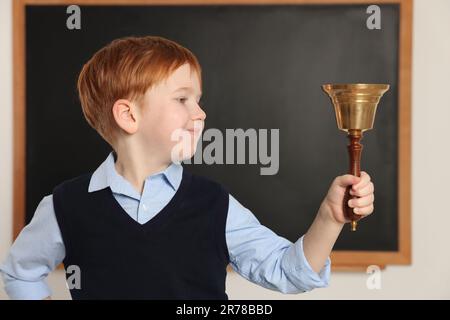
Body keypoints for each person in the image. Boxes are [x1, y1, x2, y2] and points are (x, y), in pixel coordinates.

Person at [0, 36, 375, 300]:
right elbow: (20, 272)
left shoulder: (215, 204)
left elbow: (287, 272)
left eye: (198, 99)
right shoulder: (66, 205)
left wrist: (330, 217)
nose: (201, 112)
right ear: (128, 115)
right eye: (183, 99)